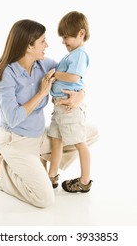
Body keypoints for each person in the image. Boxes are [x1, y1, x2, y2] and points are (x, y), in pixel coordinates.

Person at [0, 19, 99, 208]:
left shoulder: (44, 65)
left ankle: (27, 163)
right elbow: (14, 118)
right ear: (29, 46)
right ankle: (5, 169)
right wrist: (42, 93)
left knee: (91, 133)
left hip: (38, 136)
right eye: (43, 41)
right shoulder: (5, 75)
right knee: (44, 199)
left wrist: (80, 96)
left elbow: (74, 77)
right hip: (17, 140)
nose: (48, 45)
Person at [48, 11, 93, 193]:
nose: (63, 41)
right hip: (60, 107)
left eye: (66, 37)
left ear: (81, 33)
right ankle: (51, 176)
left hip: (69, 108)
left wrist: (54, 74)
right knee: (56, 140)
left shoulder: (79, 54)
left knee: (80, 142)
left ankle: (84, 181)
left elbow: (74, 77)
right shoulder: (73, 54)